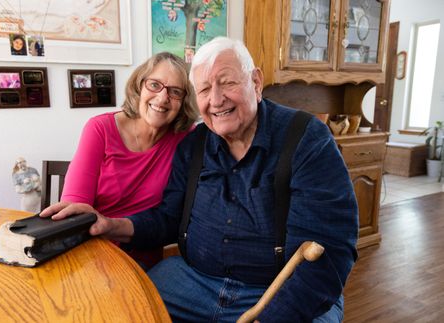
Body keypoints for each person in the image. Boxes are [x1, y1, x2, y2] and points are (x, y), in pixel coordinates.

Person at [44, 37, 358, 322]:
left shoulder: (306, 139)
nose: (216, 99)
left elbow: (328, 251)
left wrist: (272, 317)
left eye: (227, 82)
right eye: (205, 89)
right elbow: (168, 218)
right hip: (193, 282)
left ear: (256, 82)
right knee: (123, 310)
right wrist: (111, 224)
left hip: (276, 290)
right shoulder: (193, 145)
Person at [40, 52, 199, 269]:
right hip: (90, 252)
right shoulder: (100, 129)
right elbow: (75, 208)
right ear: (139, 86)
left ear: (184, 101)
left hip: (143, 259)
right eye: (154, 85)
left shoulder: (187, 138)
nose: (162, 98)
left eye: (175, 91)